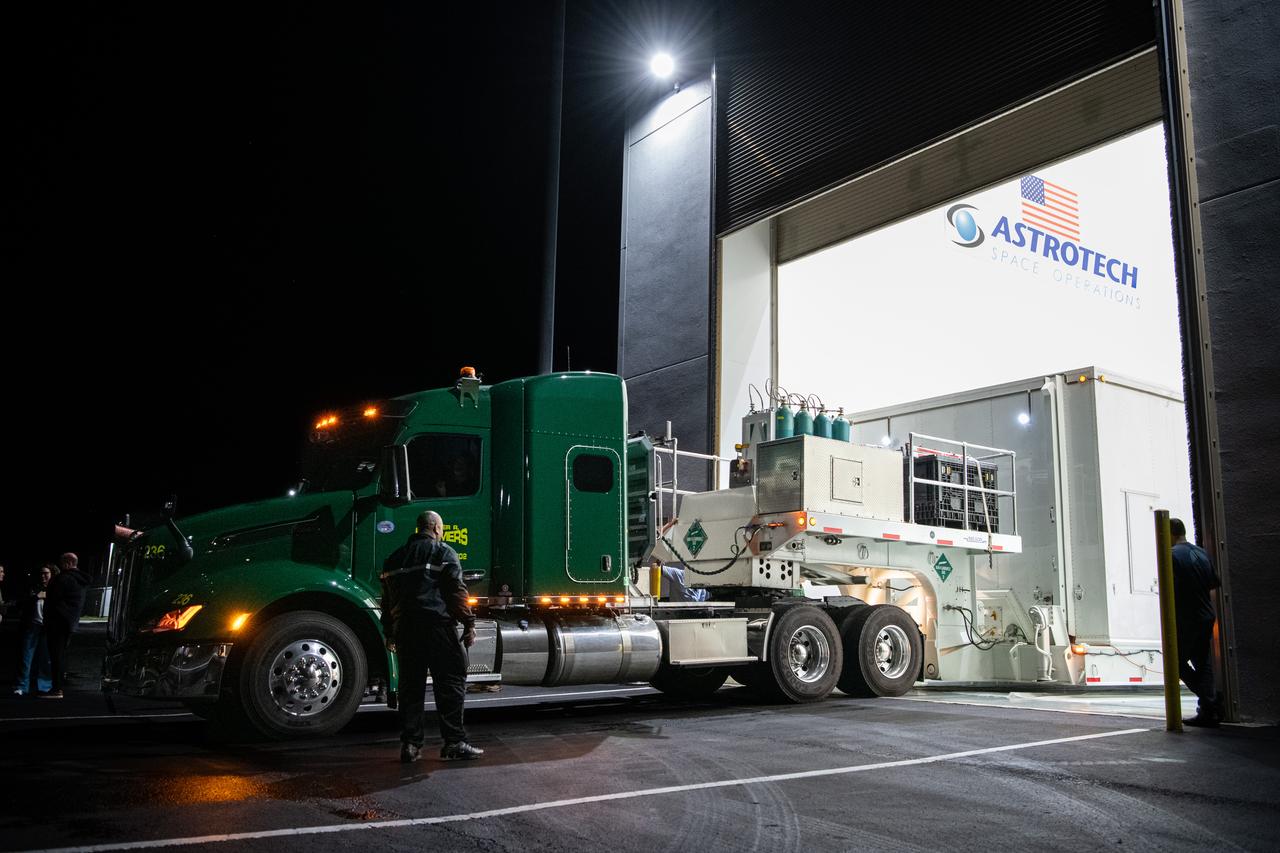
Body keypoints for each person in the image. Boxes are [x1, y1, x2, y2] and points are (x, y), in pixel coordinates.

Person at [381, 510, 483, 763]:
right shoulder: (443, 552)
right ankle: (454, 743)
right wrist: (469, 623)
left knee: (410, 687)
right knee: (450, 682)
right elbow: (456, 592)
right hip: (437, 627)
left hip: (406, 629)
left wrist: (389, 631)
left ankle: (410, 745)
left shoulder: (394, 559)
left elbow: (387, 601)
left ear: (419, 529)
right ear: (437, 528)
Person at [1170, 518, 1222, 727]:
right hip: (1206, 615)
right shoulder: (1201, 553)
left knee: (1175, 662)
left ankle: (1209, 701)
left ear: (1169, 533)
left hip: (1187, 617)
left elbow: (1169, 588)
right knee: (1203, 662)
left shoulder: (1172, 555)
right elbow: (1214, 582)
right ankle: (1208, 710)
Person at [43, 552, 91, 699]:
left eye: (62, 562)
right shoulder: (81, 580)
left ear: (68, 563)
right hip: (70, 622)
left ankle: (57, 689)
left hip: (57, 622)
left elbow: (53, 599)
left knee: (56, 655)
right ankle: (58, 687)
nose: (60, 565)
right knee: (60, 655)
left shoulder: (63, 579)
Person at [14, 565, 54, 696]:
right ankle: (21, 686)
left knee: (45, 658)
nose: (43, 576)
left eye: (46, 573)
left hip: (46, 627)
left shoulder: (55, 588)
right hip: (32, 625)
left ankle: (44, 686)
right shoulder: (33, 588)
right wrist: (37, 597)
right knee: (26, 657)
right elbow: (22, 603)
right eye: (41, 573)